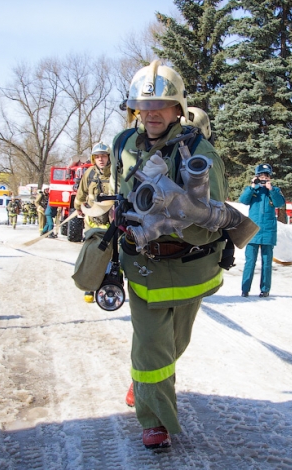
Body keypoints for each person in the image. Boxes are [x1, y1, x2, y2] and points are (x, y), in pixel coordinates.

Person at [112, 60, 228, 451]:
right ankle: (155, 420)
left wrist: (177, 211)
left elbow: (213, 218)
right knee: (151, 345)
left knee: (175, 344)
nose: (150, 113)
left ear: (178, 108)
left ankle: (144, 381)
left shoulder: (199, 150)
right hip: (143, 262)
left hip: (190, 264)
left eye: (161, 104)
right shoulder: (124, 144)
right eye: (143, 107)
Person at [74, 141, 114, 302]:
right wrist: (77, 207)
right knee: (92, 255)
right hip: (92, 223)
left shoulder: (116, 174)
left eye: (103, 156)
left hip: (112, 225)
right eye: (97, 157)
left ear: (109, 157)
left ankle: (109, 285)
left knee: (111, 257)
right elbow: (81, 193)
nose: (101, 159)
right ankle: (90, 287)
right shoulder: (89, 173)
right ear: (93, 158)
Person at [238, 163, 285, 297]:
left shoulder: (274, 190)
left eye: (266, 176)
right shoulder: (253, 190)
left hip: (268, 231)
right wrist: (252, 186)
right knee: (250, 261)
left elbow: (279, 203)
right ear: (257, 177)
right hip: (252, 230)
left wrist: (271, 190)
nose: (263, 179)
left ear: (270, 177)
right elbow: (243, 200)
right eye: (261, 176)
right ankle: (245, 289)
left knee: (266, 263)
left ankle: (265, 290)